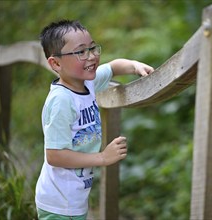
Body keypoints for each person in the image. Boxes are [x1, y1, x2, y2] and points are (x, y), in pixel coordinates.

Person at [35, 19, 154, 219]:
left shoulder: (86, 84)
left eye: (92, 48)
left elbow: (113, 67)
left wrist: (134, 66)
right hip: (59, 203)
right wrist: (102, 158)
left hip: (73, 199)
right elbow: (54, 155)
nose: (91, 56)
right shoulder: (62, 100)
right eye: (81, 52)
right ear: (55, 63)